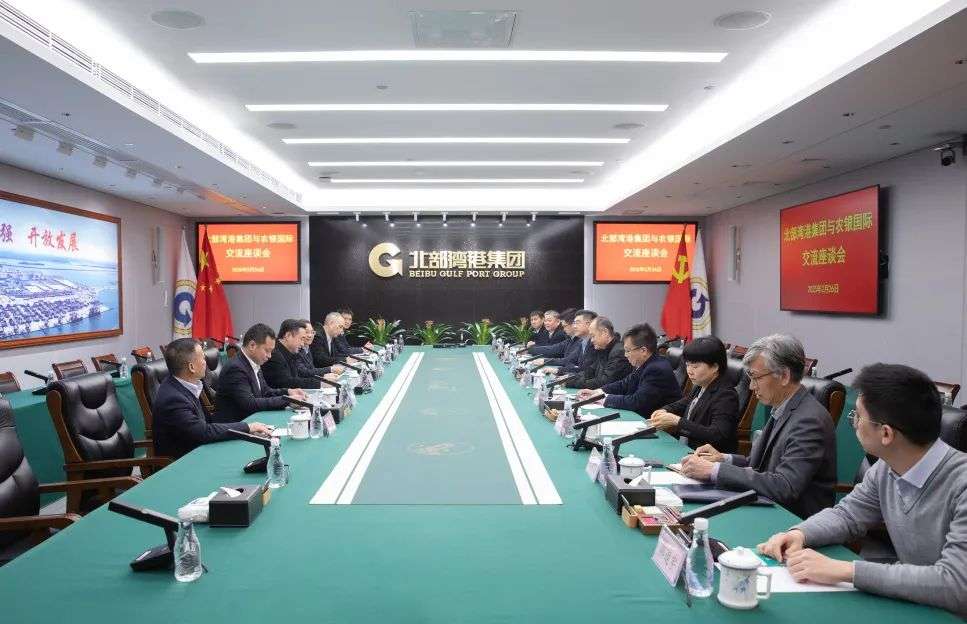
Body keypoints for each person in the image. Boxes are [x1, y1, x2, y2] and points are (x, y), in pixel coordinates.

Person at [758, 363, 967, 618]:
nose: (854, 423)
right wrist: (800, 533)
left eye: (857, 416)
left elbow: (956, 583)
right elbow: (847, 515)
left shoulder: (962, 484)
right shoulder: (886, 468)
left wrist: (847, 571)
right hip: (918, 607)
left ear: (886, 434)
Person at [679, 334, 836, 519]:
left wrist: (714, 471)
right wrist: (723, 459)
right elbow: (759, 465)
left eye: (755, 377)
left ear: (784, 376)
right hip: (765, 506)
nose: (751, 387)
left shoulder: (809, 420)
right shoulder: (785, 406)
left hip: (792, 521)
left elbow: (785, 486)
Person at [153, 338, 272, 459]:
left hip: (200, 450)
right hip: (184, 461)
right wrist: (247, 427)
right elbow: (203, 432)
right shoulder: (173, 399)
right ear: (191, 367)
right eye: (203, 358)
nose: (206, 362)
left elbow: (208, 423)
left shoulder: (186, 384)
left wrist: (244, 430)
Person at [648, 336, 740, 452]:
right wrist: (664, 410)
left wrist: (677, 421)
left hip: (708, 457)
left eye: (695, 366)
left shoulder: (726, 396)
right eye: (687, 365)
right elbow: (682, 404)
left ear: (715, 367)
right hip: (688, 448)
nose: (689, 371)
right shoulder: (701, 386)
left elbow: (717, 435)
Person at [576, 323, 680, 418]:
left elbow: (636, 402)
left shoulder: (656, 369)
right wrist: (598, 392)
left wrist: (603, 399)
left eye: (628, 351)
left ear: (643, 350)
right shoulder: (646, 363)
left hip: (656, 424)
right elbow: (624, 384)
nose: (625, 355)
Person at [214, 323, 307, 423]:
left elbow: (265, 392)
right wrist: (287, 400)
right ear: (252, 345)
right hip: (236, 426)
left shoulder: (253, 362)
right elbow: (249, 404)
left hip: (253, 421)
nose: (269, 356)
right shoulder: (236, 368)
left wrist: (288, 392)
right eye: (267, 350)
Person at [263, 319, 340, 390]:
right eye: (301, 339)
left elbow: (299, 377)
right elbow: (287, 382)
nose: (303, 344)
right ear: (288, 336)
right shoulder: (274, 355)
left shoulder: (291, 351)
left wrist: (322, 379)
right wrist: (320, 382)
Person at [566, 316, 632, 389]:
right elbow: (590, 372)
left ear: (605, 332)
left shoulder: (619, 352)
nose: (591, 340)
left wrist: (574, 383)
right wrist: (567, 378)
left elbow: (604, 381)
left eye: (593, 336)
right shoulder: (602, 349)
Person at [533, 309, 596, 375]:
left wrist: (560, 371)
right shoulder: (582, 342)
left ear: (588, 324)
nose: (574, 326)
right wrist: (558, 370)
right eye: (574, 323)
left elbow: (587, 372)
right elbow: (570, 360)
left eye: (577, 323)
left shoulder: (594, 345)